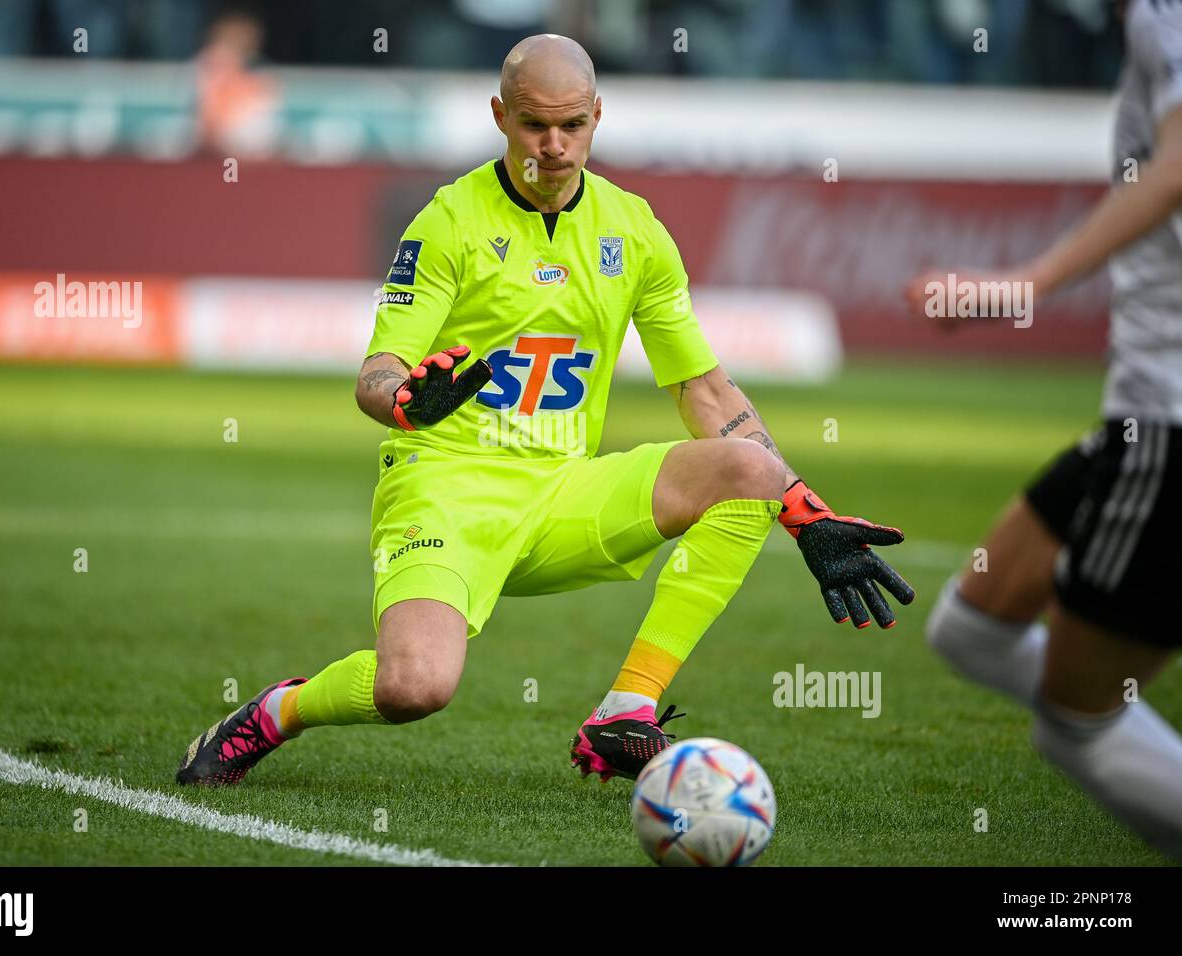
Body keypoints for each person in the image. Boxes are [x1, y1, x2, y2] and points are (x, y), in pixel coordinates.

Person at [176, 34, 913, 788]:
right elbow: (376, 372)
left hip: (563, 491)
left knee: (751, 470)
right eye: (534, 125)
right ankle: (274, 714)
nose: (554, 146)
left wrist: (802, 508)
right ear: (500, 116)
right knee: (413, 689)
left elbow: (706, 392)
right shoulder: (448, 222)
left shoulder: (636, 230)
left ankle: (625, 711)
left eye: (572, 125)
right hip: (446, 489)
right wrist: (404, 401)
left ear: (598, 116)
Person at [906, 0, 1182, 860]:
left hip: (1170, 421)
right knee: (971, 630)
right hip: (1138, 420)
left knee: (1077, 728)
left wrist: (1026, 284)